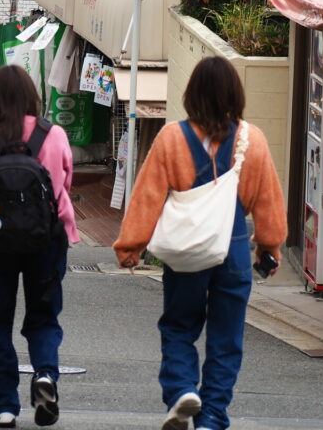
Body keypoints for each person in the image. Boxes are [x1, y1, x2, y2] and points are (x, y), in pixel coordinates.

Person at [113, 56, 287, 430]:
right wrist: (269, 246)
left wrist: (131, 245)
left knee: (178, 325)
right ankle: (212, 417)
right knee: (226, 337)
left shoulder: (172, 138)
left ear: (191, 94)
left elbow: (147, 197)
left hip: (187, 248)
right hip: (235, 245)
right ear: (234, 94)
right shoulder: (251, 140)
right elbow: (269, 202)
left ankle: (180, 391)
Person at [0, 65, 78, 429]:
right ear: (32, 95)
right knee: (43, 316)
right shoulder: (55, 134)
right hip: (46, 239)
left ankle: (4, 407)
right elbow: (64, 183)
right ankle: (45, 374)